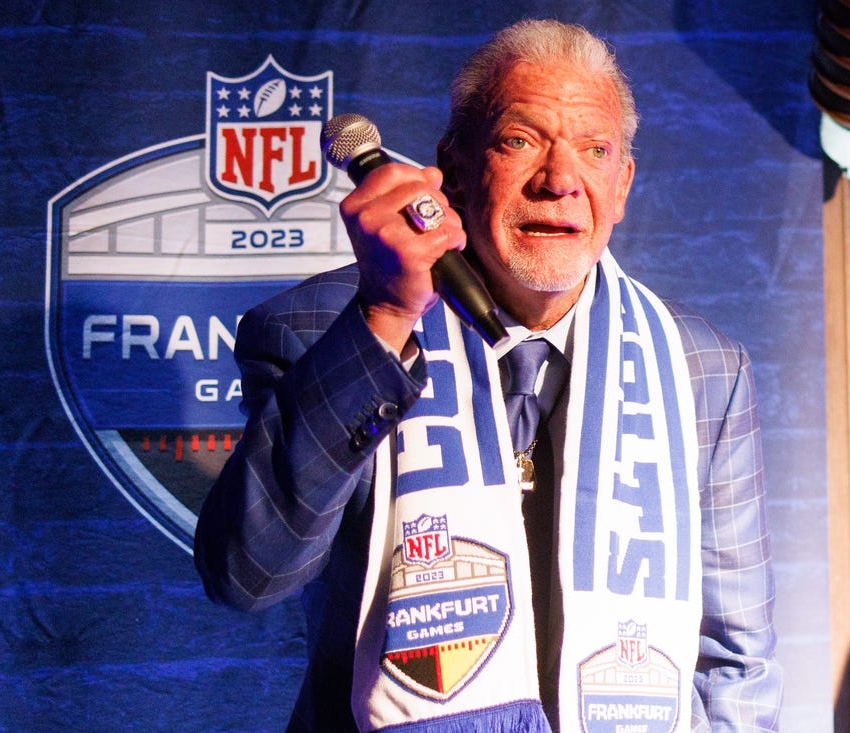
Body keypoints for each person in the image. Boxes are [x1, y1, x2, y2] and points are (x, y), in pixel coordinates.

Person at [195, 18, 783, 733]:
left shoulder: (704, 369)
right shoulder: (318, 330)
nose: (560, 180)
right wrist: (384, 317)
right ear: (457, 165)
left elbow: (735, 660)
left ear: (622, 185)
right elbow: (246, 573)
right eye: (521, 140)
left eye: (593, 150)